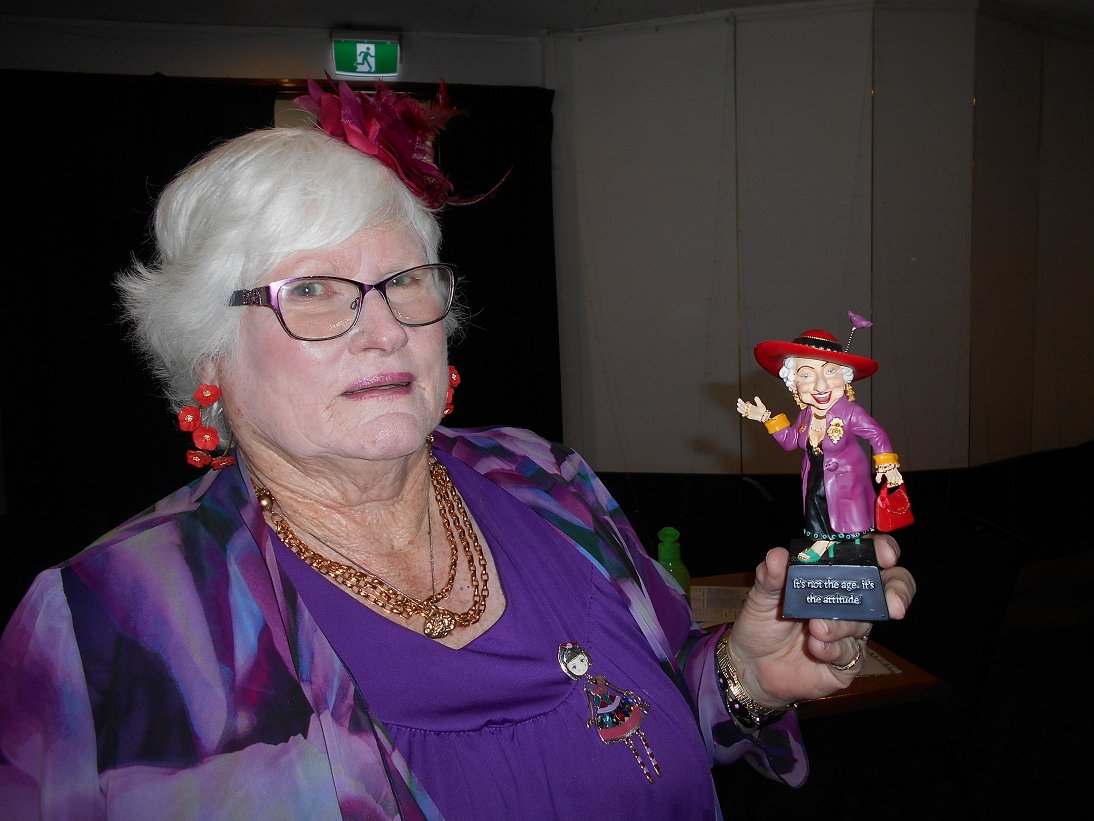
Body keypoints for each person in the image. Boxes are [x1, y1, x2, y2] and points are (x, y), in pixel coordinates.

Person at [0, 81, 915, 819]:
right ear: (208, 352)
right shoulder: (105, 622)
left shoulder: (547, 481)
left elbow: (665, 719)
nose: (383, 329)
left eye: (404, 280)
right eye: (312, 290)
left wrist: (747, 675)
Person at [737, 323, 904, 563]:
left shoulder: (850, 413)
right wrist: (766, 418)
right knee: (816, 504)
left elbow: (876, 434)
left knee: (836, 509)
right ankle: (824, 538)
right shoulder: (806, 415)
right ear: (794, 384)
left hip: (846, 479)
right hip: (815, 472)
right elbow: (790, 441)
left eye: (830, 372)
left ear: (844, 378)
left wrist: (887, 464)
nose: (820, 386)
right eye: (806, 375)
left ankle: (828, 541)